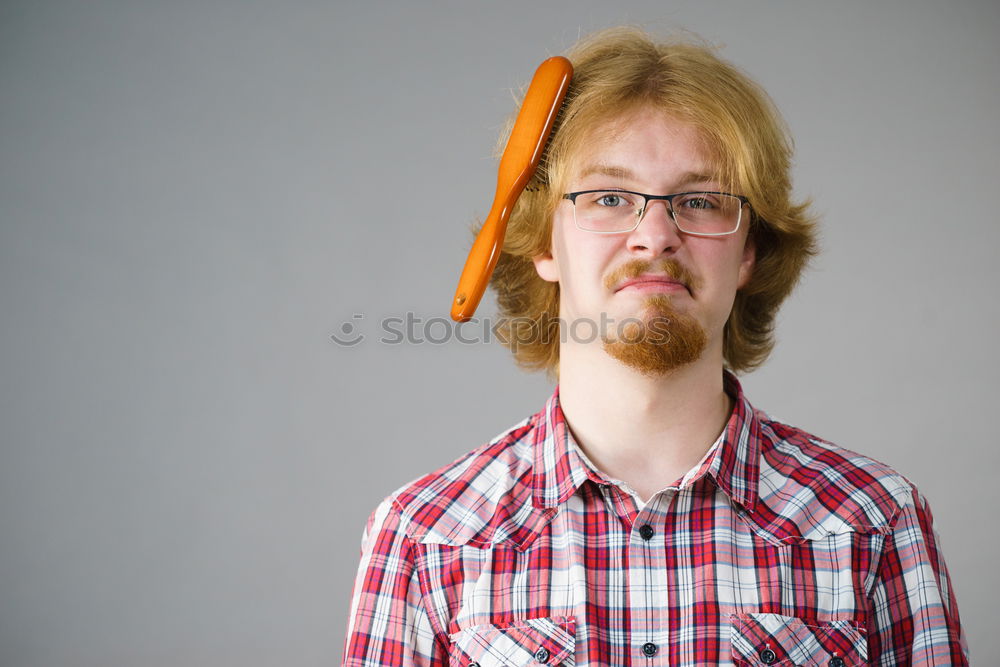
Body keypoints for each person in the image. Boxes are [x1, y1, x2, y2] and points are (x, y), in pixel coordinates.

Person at [342, 27, 968, 666]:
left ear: (750, 249)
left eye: (699, 200)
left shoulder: (874, 522)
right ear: (541, 243)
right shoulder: (425, 538)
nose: (655, 235)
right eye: (609, 197)